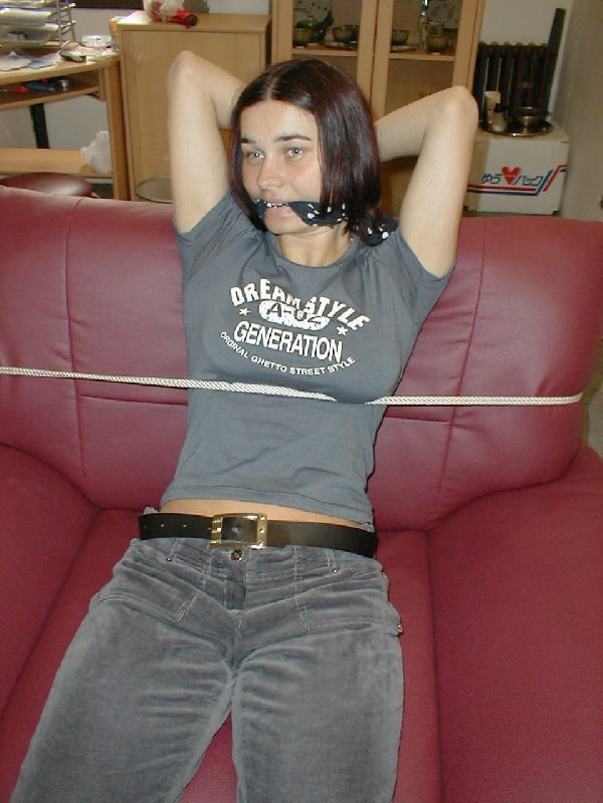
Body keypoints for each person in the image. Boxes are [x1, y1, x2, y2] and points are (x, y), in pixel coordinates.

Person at [11, 53, 477, 803]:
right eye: (252, 153)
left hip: (326, 589)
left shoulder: (396, 271)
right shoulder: (221, 242)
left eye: (291, 152)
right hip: (172, 574)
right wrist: (295, 143)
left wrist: (343, 145)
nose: (266, 178)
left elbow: (453, 109)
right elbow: (188, 72)